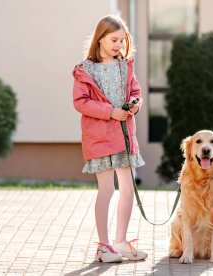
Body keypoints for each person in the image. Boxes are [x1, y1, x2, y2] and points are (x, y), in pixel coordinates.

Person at [72, 15, 147, 263]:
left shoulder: (125, 66)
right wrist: (110, 112)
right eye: (114, 40)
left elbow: (135, 91)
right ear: (100, 38)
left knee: (127, 187)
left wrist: (135, 104)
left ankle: (121, 242)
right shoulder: (85, 70)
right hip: (100, 137)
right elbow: (80, 102)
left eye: (122, 41)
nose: (118, 45)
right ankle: (103, 247)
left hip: (124, 136)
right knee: (106, 188)